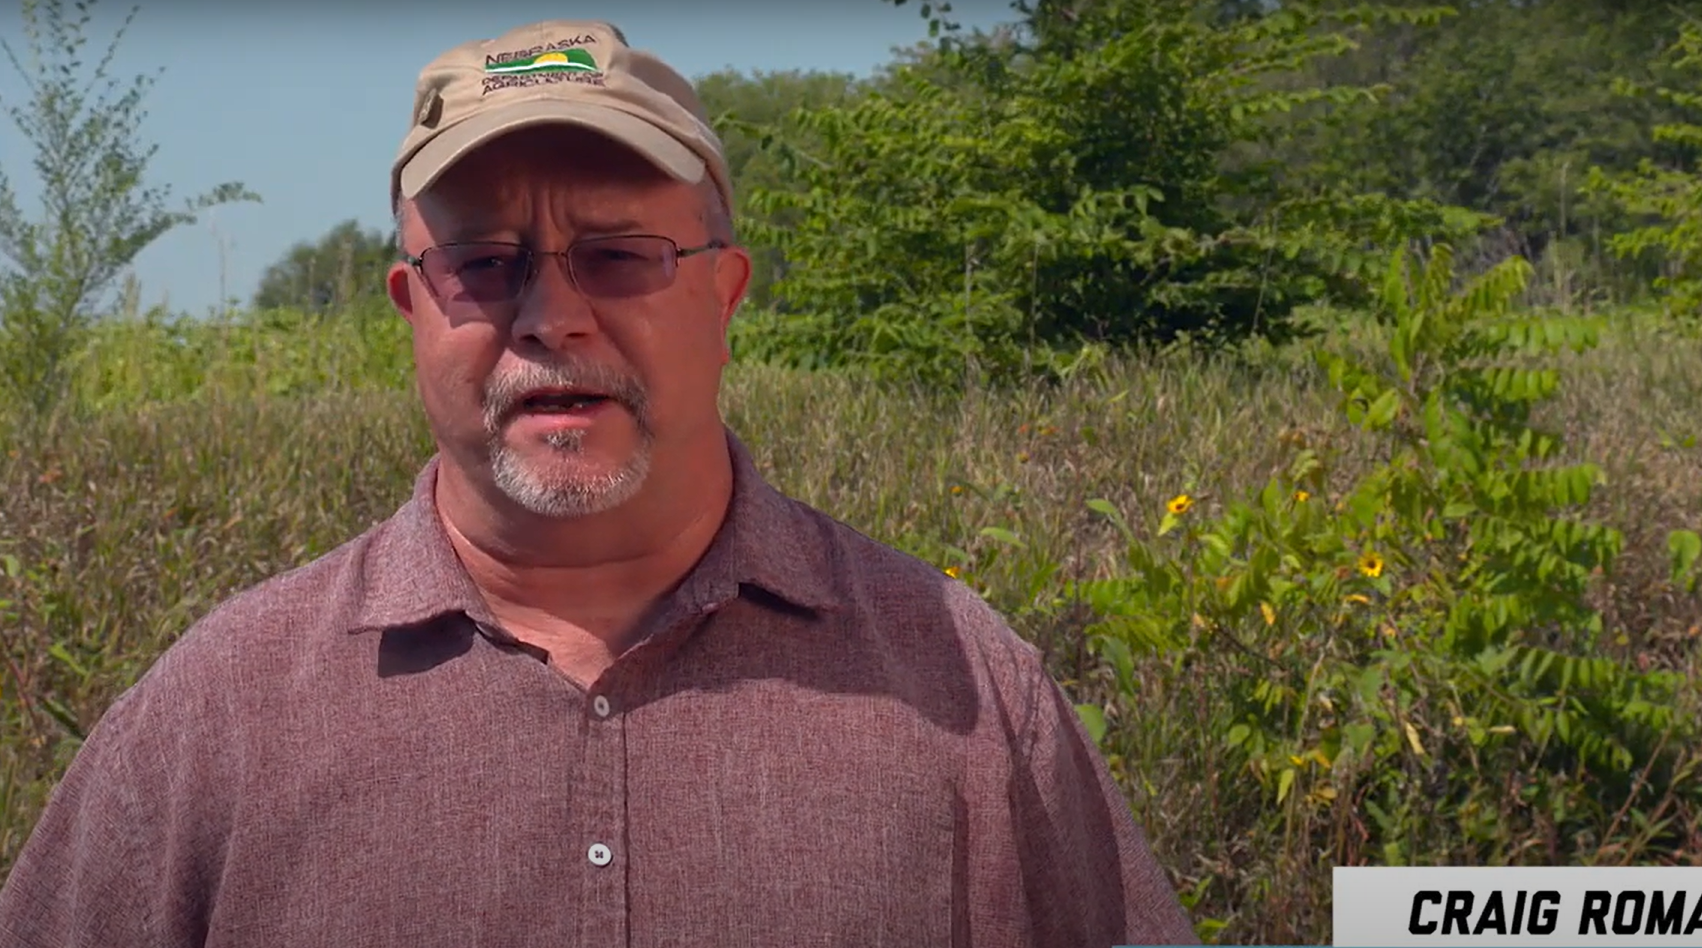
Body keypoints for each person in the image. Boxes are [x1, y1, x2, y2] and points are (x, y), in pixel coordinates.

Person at [0, 18, 1199, 948]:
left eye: (619, 255)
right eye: (483, 263)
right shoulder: (218, 715)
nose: (551, 314)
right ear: (414, 308)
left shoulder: (966, 692)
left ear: (724, 298)